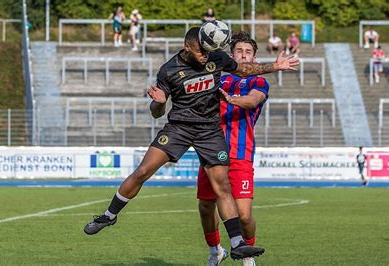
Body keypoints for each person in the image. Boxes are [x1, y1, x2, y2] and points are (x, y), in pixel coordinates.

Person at [83, 27, 299, 261]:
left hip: (209, 130)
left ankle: (237, 243)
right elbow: (156, 113)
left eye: (208, 51)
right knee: (143, 171)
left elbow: (246, 69)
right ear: (187, 47)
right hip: (180, 127)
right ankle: (109, 215)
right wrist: (160, 103)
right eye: (201, 51)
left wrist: (274, 67)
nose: (206, 56)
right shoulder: (169, 70)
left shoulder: (216, 57)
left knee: (222, 187)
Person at [197, 31, 268, 266]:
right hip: (211, 151)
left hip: (240, 154)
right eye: (239, 51)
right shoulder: (219, 77)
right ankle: (215, 250)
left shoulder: (258, 81)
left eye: (248, 52)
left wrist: (229, 99)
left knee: (244, 215)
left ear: (254, 57)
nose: (244, 55)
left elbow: (253, 101)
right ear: (232, 55)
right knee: (206, 206)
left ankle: (247, 255)